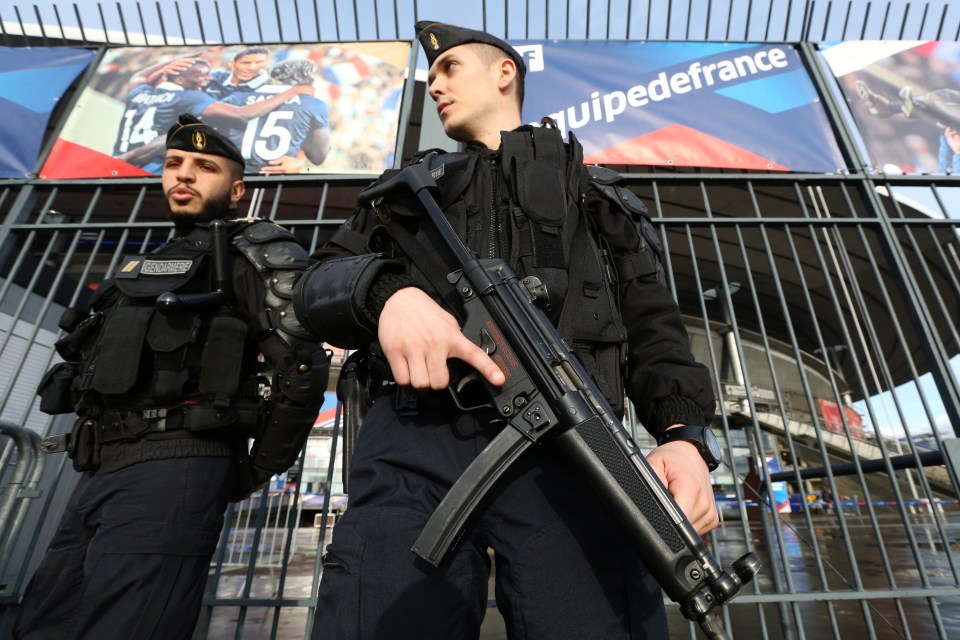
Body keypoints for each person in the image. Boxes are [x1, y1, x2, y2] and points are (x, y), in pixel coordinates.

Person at [294, 21, 719, 640]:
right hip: (414, 441)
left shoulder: (596, 196)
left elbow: (653, 327)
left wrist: (684, 439)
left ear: (504, 72)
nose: (434, 84)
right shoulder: (402, 195)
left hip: (574, 445)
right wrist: (387, 296)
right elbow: (314, 286)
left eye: (450, 68)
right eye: (430, 73)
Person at [15, 114, 329, 640]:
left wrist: (258, 468)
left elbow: (301, 365)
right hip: (98, 470)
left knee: (130, 624)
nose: (183, 175)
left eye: (204, 167)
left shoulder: (253, 251)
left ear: (236, 190)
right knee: (47, 619)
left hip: (180, 460)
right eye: (174, 164)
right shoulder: (145, 265)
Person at [114, 57, 315, 172]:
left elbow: (138, 76)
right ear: (182, 80)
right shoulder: (190, 97)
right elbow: (242, 115)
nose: (208, 78)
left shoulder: (139, 91)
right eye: (202, 75)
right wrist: (293, 91)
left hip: (118, 161)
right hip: (150, 168)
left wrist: (169, 62)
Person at [214, 58, 331, 174]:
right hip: (276, 180)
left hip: (234, 176)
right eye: (316, 74)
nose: (319, 79)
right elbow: (318, 157)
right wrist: (300, 160)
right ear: (297, 76)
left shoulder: (236, 97)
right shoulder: (314, 104)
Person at [203, 46, 272, 100]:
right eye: (245, 63)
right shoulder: (213, 78)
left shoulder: (269, 87)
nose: (252, 68)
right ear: (232, 63)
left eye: (258, 63)